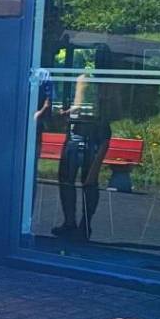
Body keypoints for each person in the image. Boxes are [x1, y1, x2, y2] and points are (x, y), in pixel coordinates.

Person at [53, 44, 117, 241]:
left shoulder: (90, 81)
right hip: (91, 133)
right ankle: (79, 223)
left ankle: (76, 223)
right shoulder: (102, 83)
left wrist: (66, 113)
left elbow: (79, 108)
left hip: (87, 133)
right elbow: (84, 108)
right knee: (81, 181)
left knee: (75, 180)